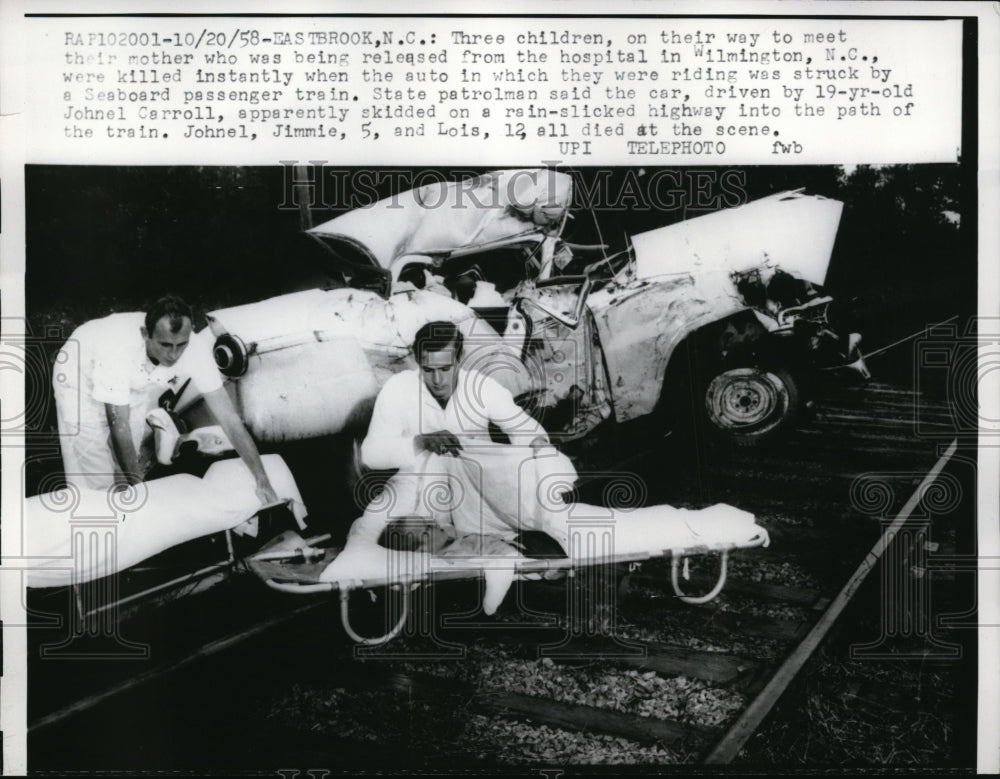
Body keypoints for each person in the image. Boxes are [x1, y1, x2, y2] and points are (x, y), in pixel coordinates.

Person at [52, 295, 279, 505]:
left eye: (181, 345)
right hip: (79, 377)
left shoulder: (195, 350)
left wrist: (262, 479)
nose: (173, 355)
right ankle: (99, 519)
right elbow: (117, 426)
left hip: (134, 381)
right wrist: (141, 493)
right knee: (94, 470)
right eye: (165, 345)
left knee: (128, 463)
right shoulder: (118, 349)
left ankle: (126, 513)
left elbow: (229, 418)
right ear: (145, 334)